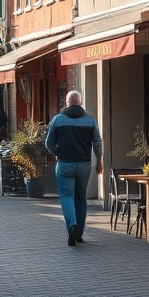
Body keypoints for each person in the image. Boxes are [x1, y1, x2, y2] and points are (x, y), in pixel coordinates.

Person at [44, 90, 103, 247]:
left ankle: (72, 225)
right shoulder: (90, 121)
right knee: (80, 197)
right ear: (80, 102)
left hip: (64, 164)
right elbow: (97, 143)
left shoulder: (57, 120)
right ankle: (80, 234)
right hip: (84, 164)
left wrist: (57, 152)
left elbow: (48, 144)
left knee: (67, 196)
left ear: (67, 102)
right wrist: (99, 161)